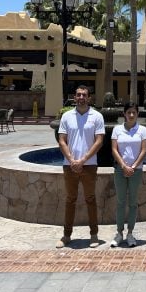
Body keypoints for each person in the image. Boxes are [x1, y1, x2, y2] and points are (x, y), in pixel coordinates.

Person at [56, 85, 105, 249]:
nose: (81, 97)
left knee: (90, 199)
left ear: (89, 98)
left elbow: (99, 141)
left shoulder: (97, 116)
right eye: (78, 95)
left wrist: (83, 160)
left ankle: (94, 235)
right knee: (70, 200)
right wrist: (71, 159)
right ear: (74, 97)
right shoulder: (66, 116)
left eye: (84, 95)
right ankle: (66, 235)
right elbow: (61, 139)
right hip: (69, 165)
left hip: (89, 165)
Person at [110, 101, 146, 248]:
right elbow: (114, 149)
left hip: (136, 170)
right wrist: (124, 166)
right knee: (120, 202)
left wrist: (133, 166)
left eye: (134, 112)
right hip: (120, 170)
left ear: (137, 114)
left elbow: (144, 150)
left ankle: (130, 233)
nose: (131, 115)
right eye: (128, 112)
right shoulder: (117, 129)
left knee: (133, 202)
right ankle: (119, 233)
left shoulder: (142, 130)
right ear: (124, 114)